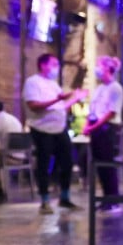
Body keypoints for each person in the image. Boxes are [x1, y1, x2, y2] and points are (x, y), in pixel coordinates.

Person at [23, 54, 87, 215]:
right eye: (54, 64)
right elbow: (34, 106)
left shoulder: (53, 84)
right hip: (42, 130)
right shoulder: (32, 82)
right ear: (43, 65)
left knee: (67, 163)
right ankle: (44, 201)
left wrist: (75, 98)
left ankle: (64, 198)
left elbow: (60, 106)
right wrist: (57, 98)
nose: (56, 67)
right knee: (44, 165)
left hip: (60, 129)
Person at [82, 56, 123, 211]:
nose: (97, 69)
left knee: (108, 165)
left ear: (108, 68)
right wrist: (87, 125)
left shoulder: (116, 88)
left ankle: (113, 199)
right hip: (96, 127)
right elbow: (92, 110)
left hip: (107, 128)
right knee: (99, 165)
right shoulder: (99, 89)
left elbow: (111, 112)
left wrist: (93, 127)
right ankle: (105, 198)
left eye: (100, 66)